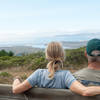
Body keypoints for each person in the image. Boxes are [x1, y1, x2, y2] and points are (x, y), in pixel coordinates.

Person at [12, 41, 100, 96]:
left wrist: (16, 79)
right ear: (63, 56)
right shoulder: (66, 76)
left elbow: (15, 90)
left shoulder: (38, 74)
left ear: (47, 56)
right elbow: (85, 91)